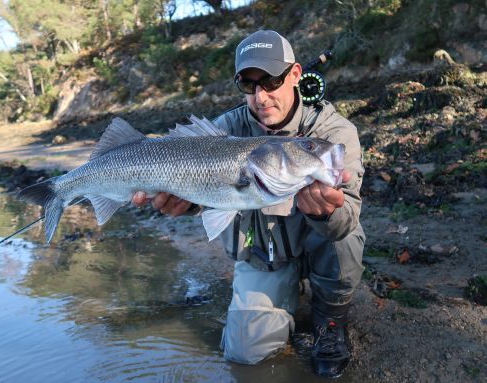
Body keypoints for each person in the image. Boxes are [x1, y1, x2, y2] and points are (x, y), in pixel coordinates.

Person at [132, 30, 365, 379]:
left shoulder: (332, 134)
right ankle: (278, 295)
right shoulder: (224, 131)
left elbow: (345, 220)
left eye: (271, 80)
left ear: (296, 75)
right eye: (249, 85)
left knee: (342, 232)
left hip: (319, 247)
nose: (261, 96)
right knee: (245, 354)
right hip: (266, 255)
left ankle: (330, 320)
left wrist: (329, 212)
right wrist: (188, 203)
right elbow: (207, 194)